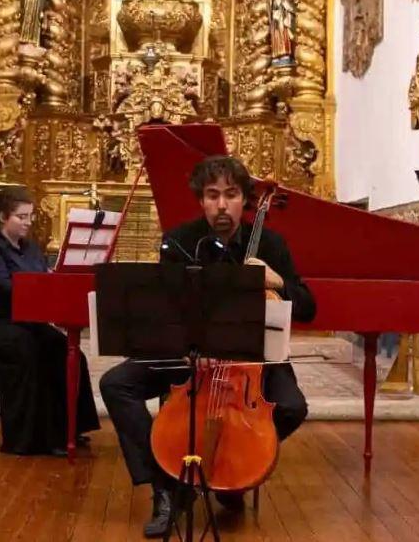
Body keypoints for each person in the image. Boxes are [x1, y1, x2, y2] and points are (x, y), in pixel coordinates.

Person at [100, 155, 315, 538]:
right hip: (191, 357)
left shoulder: (269, 242)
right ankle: (166, 486)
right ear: (201, 199)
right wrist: (178, 341)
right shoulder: (179, 241)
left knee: (293, 407)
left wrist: (278, 282)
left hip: (254, 362)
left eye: (230, 195)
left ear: (244, 199)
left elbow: (310, 307)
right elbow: (162, 309)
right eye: (212, 195)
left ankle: (233, 467)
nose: (221, 204)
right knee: (116, 383)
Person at [0, 186, 100, 456]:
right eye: (22, 217)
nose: (29, 222)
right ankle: (27, 439)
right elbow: (3, 288)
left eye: (31, 216)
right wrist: (41, 287)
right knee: (27, 351)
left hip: (26, 320)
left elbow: (42, 277)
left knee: (66, 350)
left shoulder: (30, 249)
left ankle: (69, 429)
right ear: (3, 217)